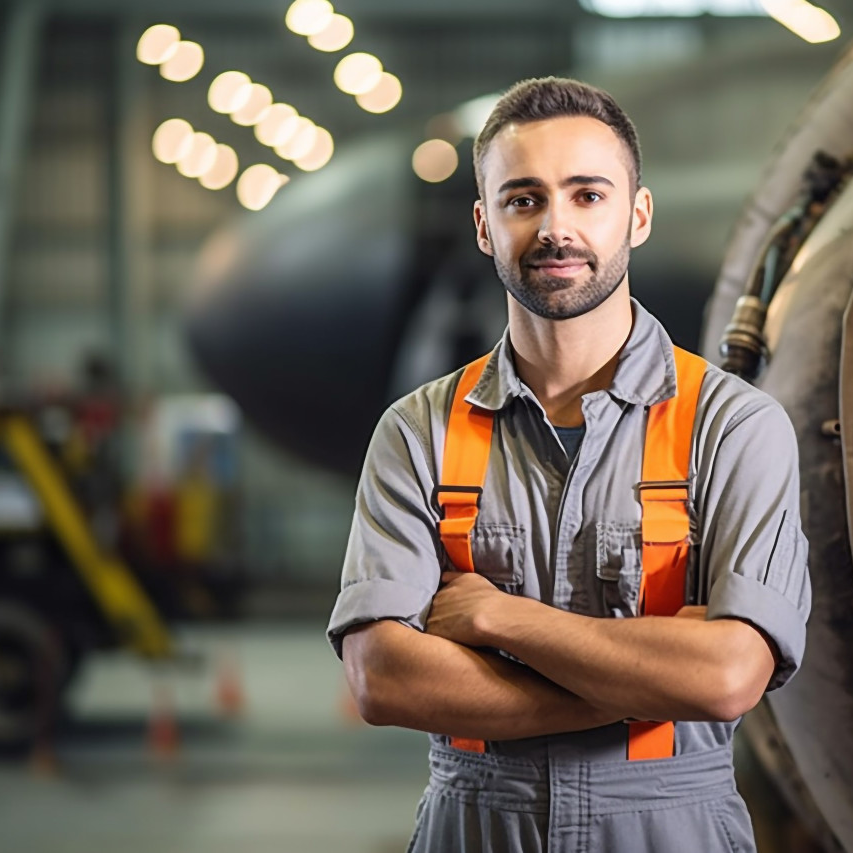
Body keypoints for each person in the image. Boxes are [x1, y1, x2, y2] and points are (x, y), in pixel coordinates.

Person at [327, 76, 811, 852]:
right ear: (485, 225)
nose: (556, 227)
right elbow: (382, 678)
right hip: (476, 822)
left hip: (670, 826)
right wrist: (652, 678)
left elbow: (726, 677)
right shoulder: (418, 432)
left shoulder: (732, 426)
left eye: (588, 195)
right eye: (524, 200)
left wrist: (496, 616)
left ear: (637, 214)